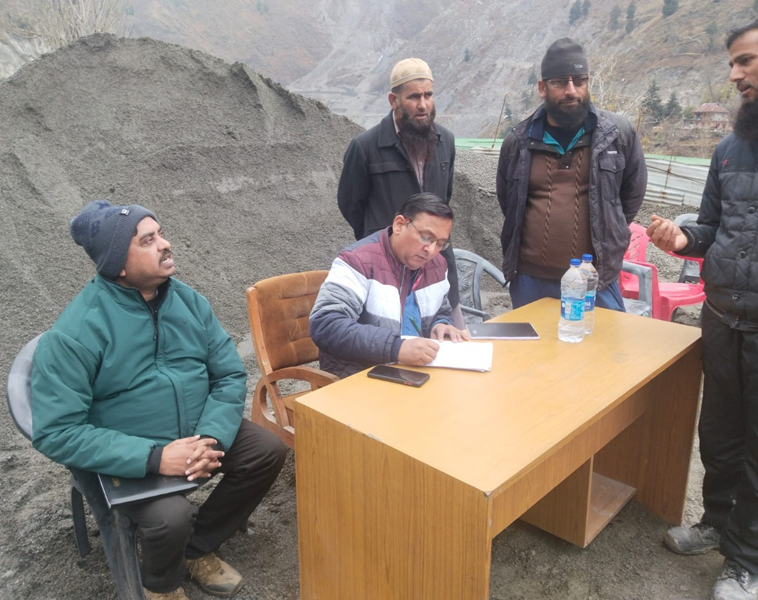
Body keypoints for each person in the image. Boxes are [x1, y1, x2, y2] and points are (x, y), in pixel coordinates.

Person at [31, 201, 287, 600]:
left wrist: (210, 439)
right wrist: (155, 457)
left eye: (161, 234)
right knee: (170, 516)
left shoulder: (190, 302)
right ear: (118, 264)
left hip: (194, 431)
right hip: (128, 450)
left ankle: (197, 549)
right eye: (148, 240)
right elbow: (56, 431)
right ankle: (162, 586)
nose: (166, 244)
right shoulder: (75, 332)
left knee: (266, 450)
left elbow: (229, 373)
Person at [648, 13, 758, 600]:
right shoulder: (730, 149)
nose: (734, 75)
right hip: (722, 319)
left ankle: (747, 562)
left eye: (745, 60)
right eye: (731, 63)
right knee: (720, 435)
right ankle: (714, 525)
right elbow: (712, 227)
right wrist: (683, 240)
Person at [496, 38, 647, 310]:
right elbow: (510, 203)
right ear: (542, 87)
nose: (571, 91)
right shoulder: (518, 142)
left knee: (602, 350)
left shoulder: (618, 135)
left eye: (579, 81)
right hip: (531, 280)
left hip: (594, 278)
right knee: (533, 351)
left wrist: (607, 229)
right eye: (559, 83)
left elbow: (630, 197)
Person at [336, 58, 462, 315]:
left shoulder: (445, 141)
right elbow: (350, 205)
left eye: (428, 95)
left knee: (441, 336)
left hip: (435, 265)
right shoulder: (365, 147)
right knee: (387, 344)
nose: (423, 105)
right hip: (384, 268)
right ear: (394, 101)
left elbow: (443, 199)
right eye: (414, 97)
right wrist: (385, 239)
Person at [311, 193, 467, 379]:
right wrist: (396, 348)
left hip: (415, 372)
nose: (431, 251)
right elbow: (326, 324)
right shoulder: (357, 261)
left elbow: (441, 310)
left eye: (441, 244)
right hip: (359, 377)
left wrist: (442, 324)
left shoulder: (437, 264)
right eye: (426, 238)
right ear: (399, 224)